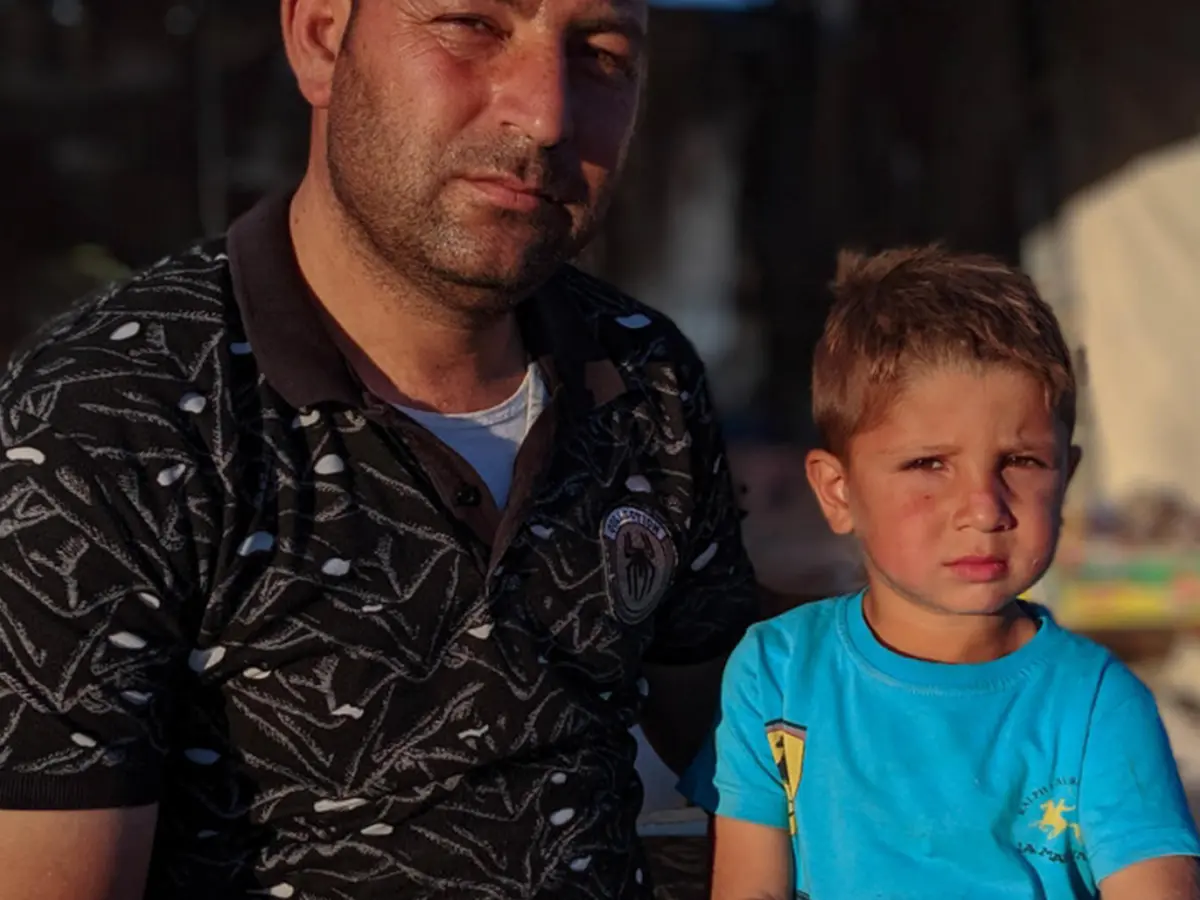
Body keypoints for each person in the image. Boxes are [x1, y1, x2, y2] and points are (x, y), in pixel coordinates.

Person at [0, 1, 759, 898]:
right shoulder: (112, 416)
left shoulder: (640, 374)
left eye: (600, 54)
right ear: (321, 37)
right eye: (473, 24)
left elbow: (744, 734)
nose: (546, 113)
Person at [681, 247, 1200, 899]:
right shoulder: (778, 674)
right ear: (838, 492)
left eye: (1020, 461)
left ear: (1066, 474)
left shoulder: (1095, 705)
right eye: (929, 464)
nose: (983, 508)